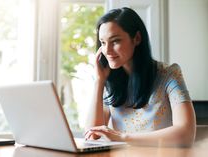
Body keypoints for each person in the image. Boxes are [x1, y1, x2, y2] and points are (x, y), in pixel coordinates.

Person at [84, 7, 196, 147]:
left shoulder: (169, 74)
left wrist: (124, 138)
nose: (107, 50)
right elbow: (91, 136)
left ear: (136, 38)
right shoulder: (110, 82)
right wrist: (99, 82)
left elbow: (186, 134)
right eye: (103, 43)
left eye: (115, 41)